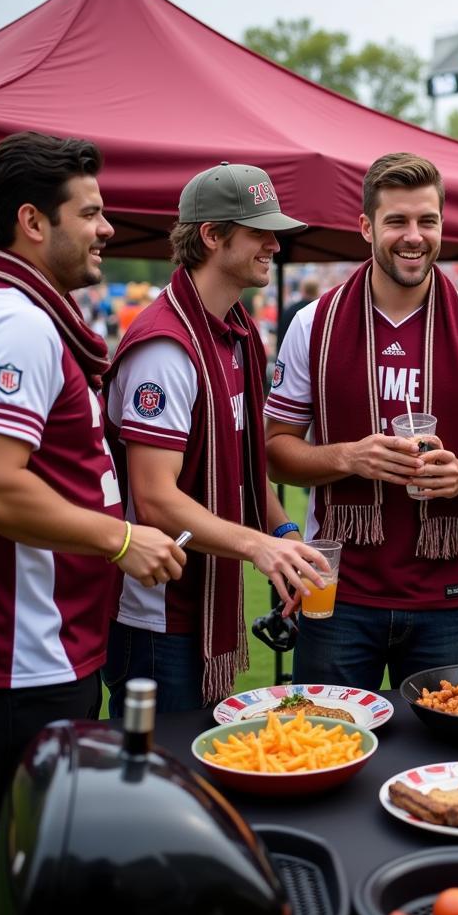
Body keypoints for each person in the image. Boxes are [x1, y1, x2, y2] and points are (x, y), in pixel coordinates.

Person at [0, 132, 186, 915]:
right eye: (89, 212)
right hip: (15, 664)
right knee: (8, 882)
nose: (108, 228)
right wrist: (119, 537)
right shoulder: (13, 320)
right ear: (31, 221)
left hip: (22, 655)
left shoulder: (8, 311)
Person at [265, 152, 458, 689]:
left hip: (447, 597)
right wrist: (349, 456)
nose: (414, 236)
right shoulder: (313, 323)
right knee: (328, 746)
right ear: (366, 227)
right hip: (337, 591)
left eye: (427, 221)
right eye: (397, 222)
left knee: (437, 760)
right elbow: (274, 450)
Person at [103, 162, 329, 715]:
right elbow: (155, 497)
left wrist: (285, 532)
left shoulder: (235, 332)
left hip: (197, 610)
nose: (274, 244)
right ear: (211, 235)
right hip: (157, 618)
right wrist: (259, 547)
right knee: (166, 787)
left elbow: (245, 469)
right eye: (259, 231)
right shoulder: (166, 346)